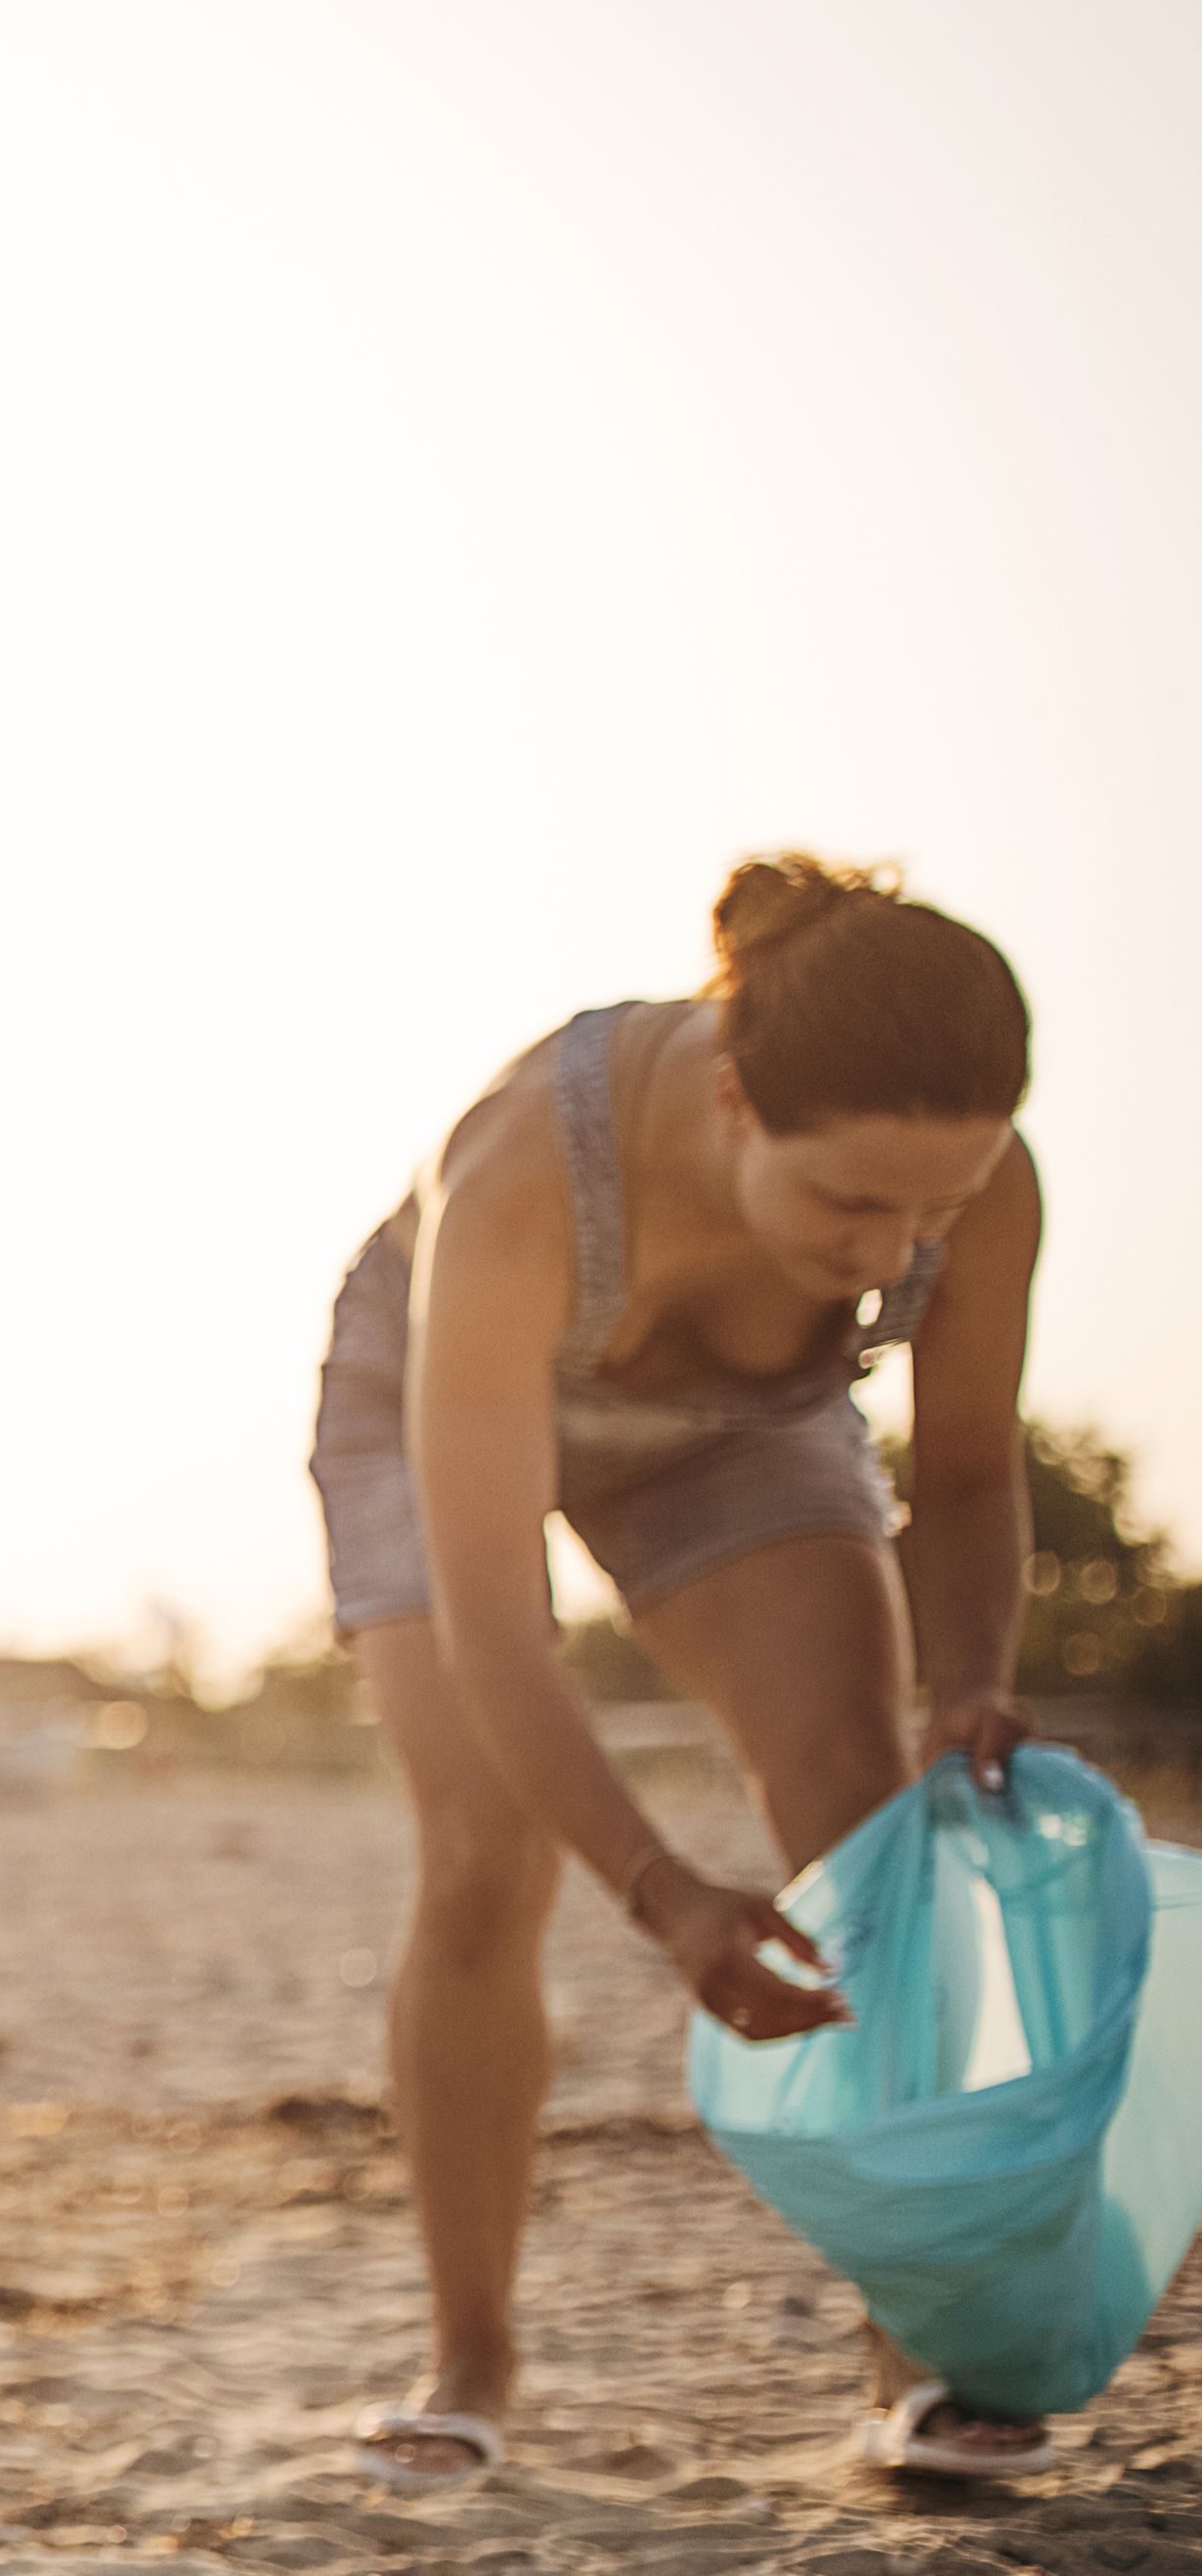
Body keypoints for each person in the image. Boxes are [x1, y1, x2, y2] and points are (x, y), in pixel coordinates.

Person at [316, 856, 1045, 2487]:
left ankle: (914, 2354)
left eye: (932, 1211)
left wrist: (971, 1685)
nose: (890, 1254)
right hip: (434, 1389)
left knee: (868, 1830)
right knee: (486, 1856)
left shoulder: (970, 1191)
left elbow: (977, 1477)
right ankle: (471, 2360)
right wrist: (658, 1891)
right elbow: (496, 1627)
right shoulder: (521, 1176)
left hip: (737, 1433)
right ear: (731, 1098)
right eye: (851, 1205)